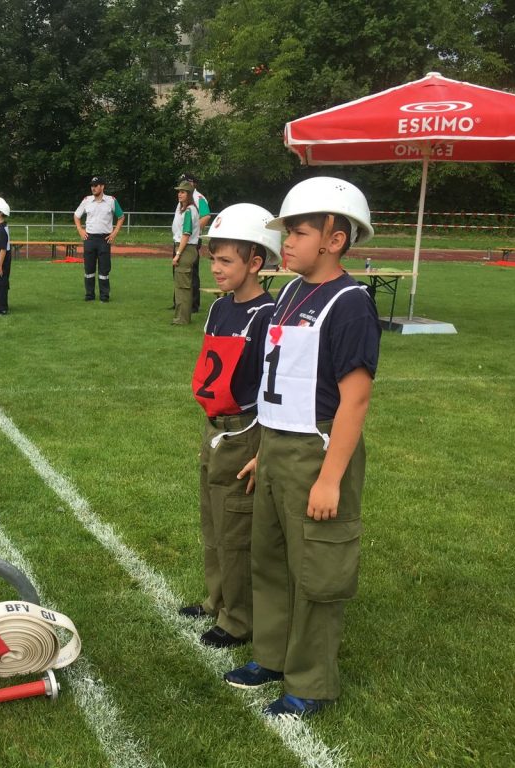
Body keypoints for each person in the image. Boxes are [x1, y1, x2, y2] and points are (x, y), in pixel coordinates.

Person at [223, 177, 380, 721]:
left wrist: (331, 477)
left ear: (335, 239)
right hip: (277, 447)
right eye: (286, 231)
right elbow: (281, 380)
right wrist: (263, 449)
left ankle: (311, 681)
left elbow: (354, 400)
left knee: (316, 568)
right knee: (268, 559)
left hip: (317, 449)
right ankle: (270, 655)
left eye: (298, 231)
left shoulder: (350, 303)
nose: (285, 242)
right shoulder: (289, 293)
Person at [179, 204, 281, 650]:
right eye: (213, 258)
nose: (216, 268)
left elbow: (273, 387)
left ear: (255, 262)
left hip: (246, 430)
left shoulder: (269, 316)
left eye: (226, 261)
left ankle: (238, 619)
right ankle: (217, 598)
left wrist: (263, 444)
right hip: (215, 427)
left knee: (236, 527)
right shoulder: (220, 308)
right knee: (212, 520)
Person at [73, 176, 124, 302]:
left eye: (96, 185)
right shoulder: (87, 200)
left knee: (104, 269)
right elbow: (76, 215)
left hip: (104, 239)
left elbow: (121, 216)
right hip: (89, 238)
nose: (93, 188)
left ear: (102, 186)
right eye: (92, 186)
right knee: (89, 269)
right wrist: (80, 230)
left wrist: (114, 232)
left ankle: (104, 296)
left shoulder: (111, 201)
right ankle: (89, 295)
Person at [170, 181, 202, 325]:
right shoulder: (187, 209)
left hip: (186, 248)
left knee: (182, 286)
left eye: (183, 192)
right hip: (187, 247)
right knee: (185, 285)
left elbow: (186, 233)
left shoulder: (189, 211)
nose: (179, 194)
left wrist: (178, 254)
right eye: (179, 191)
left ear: (189, 194)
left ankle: (181, 319)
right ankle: (183, 316)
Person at [180, 173, 212, 313]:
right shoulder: (185, 197)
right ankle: (179, 302)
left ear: (193, 183)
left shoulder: (198, 198)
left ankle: (193, 304)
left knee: (191, 272)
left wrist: (194, 231)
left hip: (191, 240)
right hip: (182, 239)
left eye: (186, 181)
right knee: (180, 271)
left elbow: (206, 216)